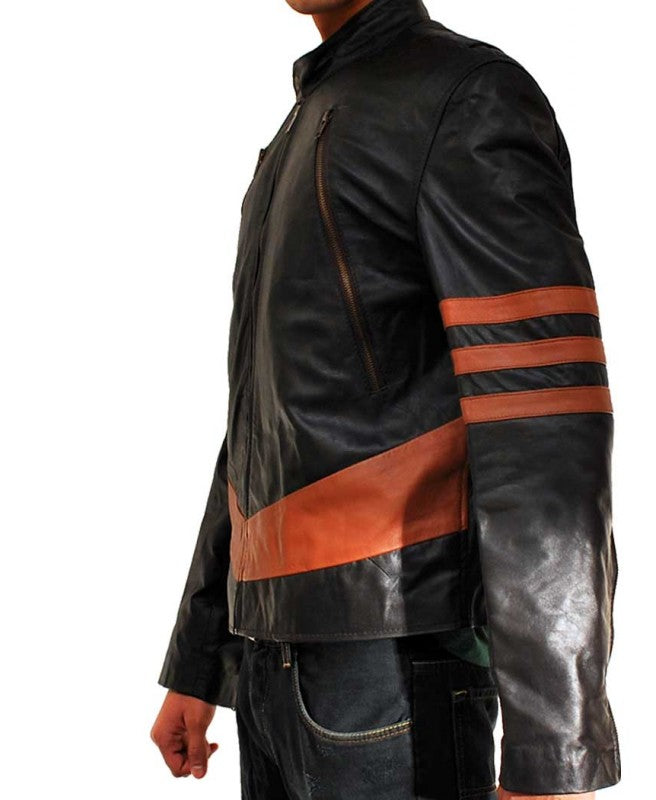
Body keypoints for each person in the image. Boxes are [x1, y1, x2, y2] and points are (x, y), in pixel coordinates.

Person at [150, 1, 621, 798]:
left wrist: (551, 747)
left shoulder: (464, 97)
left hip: (392, 672)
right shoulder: (302, 126)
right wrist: (200, 659)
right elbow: (259, 424)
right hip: (273, 674)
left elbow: (543, 419)